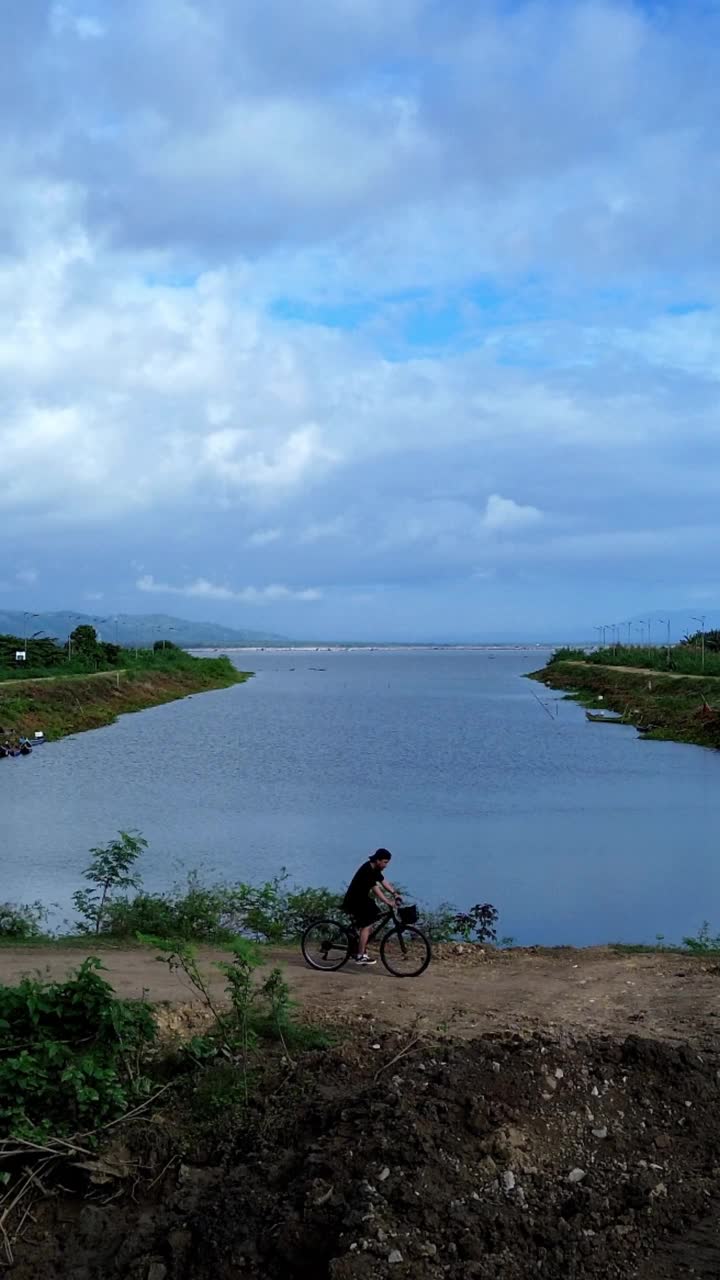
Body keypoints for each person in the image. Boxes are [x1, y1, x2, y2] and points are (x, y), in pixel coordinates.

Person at [342, 848, 400, 965]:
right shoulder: (367, 870)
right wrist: (388, 902)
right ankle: (360, 956)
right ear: (378, 860)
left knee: (374, 917)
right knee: (367, 925)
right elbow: (376, 889)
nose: (386, 865)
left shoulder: (375, 869)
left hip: (362, 899)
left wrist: (394, 893)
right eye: (385, 862)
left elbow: (383, 882)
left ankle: (358, 944)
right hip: (354, 901)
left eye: (387, 862)